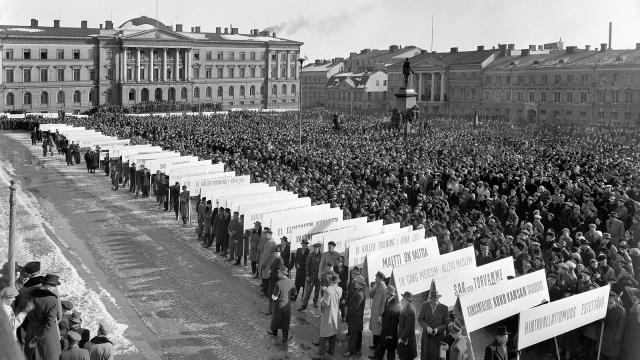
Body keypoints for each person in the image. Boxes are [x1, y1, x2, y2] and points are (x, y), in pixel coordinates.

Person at [24, 274, 62, 360]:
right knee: (48, 355)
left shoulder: (29, 295)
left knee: (31, 355)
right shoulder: (52, 299)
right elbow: (50, 322)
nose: (55, 288)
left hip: (31, 329)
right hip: (46, 334)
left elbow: (25, 313)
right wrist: (37, 336)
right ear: (51, 286)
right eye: (55, 286)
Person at [418, 282, 449, 360]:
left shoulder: (444, 308)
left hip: (438, 338)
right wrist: (427, 327)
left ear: (438, 299)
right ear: (429, 298)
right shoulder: (425, 305)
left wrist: (437, 329)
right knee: (426, 357)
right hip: (427, 337)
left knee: (436, 357)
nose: (433, 301)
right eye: (432, 299)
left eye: (436, 299)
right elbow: (420, 319)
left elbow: (446, 324)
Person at [370, 285, 401, 360]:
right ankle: (378, 357)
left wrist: (390, 335)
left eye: (386, 293)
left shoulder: (395, 304)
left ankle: (379, 357)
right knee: (381, 345)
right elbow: (386, 311)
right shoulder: (388, 300)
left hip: (390, 333)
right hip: (385, 329)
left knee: (390, 350)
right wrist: (382, 317)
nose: (385, 294)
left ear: (390, 294)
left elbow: (394, 322)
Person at [266, 265, 296, 343]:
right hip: (287, 306)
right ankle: (285, 338)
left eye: (279, 272)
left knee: (276, 319)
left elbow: (274, 297)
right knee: (285, 322)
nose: (278, 274)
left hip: (279, 306)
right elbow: (294, 293)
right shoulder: (291, 281)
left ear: (282, 273)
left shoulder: (278, 284)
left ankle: (274, 332)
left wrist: (272, 296)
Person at [317, 274, 342, 360]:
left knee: (324, 333)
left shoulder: (328, 290)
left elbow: (326, 303)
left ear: (331, 281)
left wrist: (321, 299)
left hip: (328, 314)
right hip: (335, 313)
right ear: (337, 282)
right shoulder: (340, 289)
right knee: (333, 332)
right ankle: (331, 350)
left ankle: (321, 351)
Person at [344, 275, 366, 357]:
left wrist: (348, 314)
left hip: (355, 318)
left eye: (356, 282)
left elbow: (353, 308)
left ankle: (351, 351)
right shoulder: (360, 291)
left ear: (360, 284)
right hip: (357, 318)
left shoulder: (359, 294)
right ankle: (357, 349)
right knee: (357, 334)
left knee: (353, 335)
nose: (354, 283)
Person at [601, 291, 626, 360]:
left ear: (614, 298)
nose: (609, 300)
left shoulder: (621, 310)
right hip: (604, 333)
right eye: (608, 298)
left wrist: (617, 338)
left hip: (613, 335)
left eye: (611, 298)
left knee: (611, 354)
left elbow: (621, 326)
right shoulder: (603, 308)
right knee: (602, 353)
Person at [300, 243, 323, 311]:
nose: (315, 250)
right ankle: (304, 304)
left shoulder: (322, 256)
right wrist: (307, 275)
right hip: (311, 276)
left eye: (316, 249)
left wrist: (321, 275)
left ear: (319, 249)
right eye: (314, 249)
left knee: (317, 290)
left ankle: (315, 303)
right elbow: (307, 265)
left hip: (318, 277)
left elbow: (323, 266)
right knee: (308, 291)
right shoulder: (310, 255)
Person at [370, 271, 388, 349]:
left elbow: (384, 303)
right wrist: (373, 288)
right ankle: (375, 344)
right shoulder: (377, 286)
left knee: (378, 331)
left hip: (378, 313)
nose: (375, 279)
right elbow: (370, 295)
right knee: (375, 330)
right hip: (374, 311)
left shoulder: (384, 289)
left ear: (380, 279)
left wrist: (381, 315)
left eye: (376, 277)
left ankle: (378, 347)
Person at [397, 291, 417, 360]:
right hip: (404, 340)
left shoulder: (410, 310)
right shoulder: (406, 307)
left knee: (406, 357)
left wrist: (402, 338)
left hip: (407, 341)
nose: (402, 300)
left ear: (407, 300)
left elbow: (408, 328)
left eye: (403, 298)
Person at [266, 245, 284, 315]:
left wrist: (271, 274)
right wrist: (270, 271)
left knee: (274, 297)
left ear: (280, 253)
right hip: (272, 280)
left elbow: (280, 273)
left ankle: (273, 312)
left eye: (277, 253)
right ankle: (270, 311)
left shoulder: (280, 260)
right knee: (271, 296)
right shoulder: (277, 259)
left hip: (275, 281)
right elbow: (273, 268)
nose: (275, 254)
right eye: (275, 253)